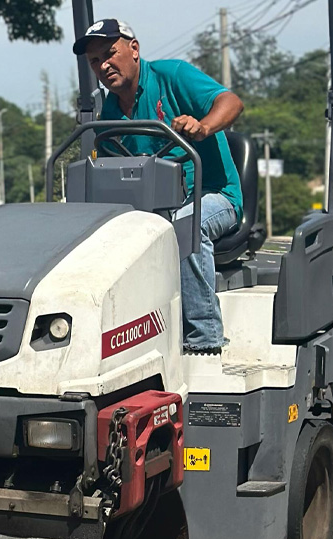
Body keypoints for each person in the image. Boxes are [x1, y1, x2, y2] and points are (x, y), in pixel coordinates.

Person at [74, 19, 244, 354]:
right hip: (154, 208)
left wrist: (203, 126)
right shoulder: (109, 112)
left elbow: (232, 103)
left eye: (109, 53)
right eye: (95, 61)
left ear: (133, 49)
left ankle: (203, 341)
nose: (103, 65)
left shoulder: (173, 76)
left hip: (212, 196)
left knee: (185, 225)